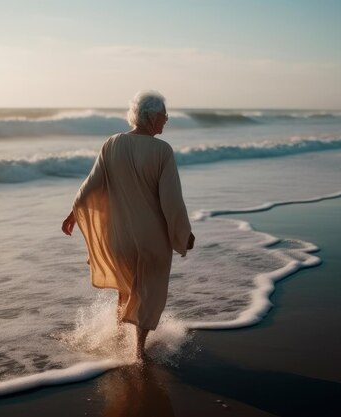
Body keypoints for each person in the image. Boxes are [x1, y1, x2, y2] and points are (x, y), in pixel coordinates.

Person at [61, 90, 194, 362]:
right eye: (163, 115)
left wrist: (73, 213)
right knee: (149, 292)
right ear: (150, 116)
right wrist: (183, 235)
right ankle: (138, 352)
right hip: (151, 240)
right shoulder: (162, 151)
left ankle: (118, 336)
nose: (166, 120)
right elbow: (172, 201)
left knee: (125, 288)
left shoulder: (112, 143)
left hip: (119, 238)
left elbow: (91, 185)